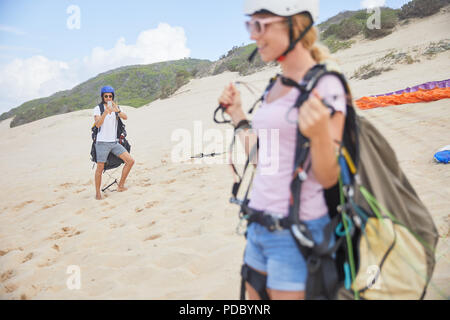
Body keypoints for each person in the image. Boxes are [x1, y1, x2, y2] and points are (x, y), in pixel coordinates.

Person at [218, 0, 347, 300]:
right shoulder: (274, 86)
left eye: (260, 25)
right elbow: (265, 160)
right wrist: (238, 115)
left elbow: (329, 178)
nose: (252, 35)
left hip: (296, 234)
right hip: (258, 227)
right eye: (250, 24)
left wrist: (319, 137)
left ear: (295, 24)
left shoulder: (327, 85)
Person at [93, 86, 135, 200]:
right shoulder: (98, 108)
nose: (108, 98)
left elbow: (125, 117)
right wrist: (105, 113)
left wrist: (118, 111)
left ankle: (120, 186)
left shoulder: (117, 107)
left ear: (112, 97)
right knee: (100, 168)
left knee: (130, 161)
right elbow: (97, 124)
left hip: (114, 142)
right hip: (101, 143)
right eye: (106, 96)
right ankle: (97, 193)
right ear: (102, 96)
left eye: (110, 96)